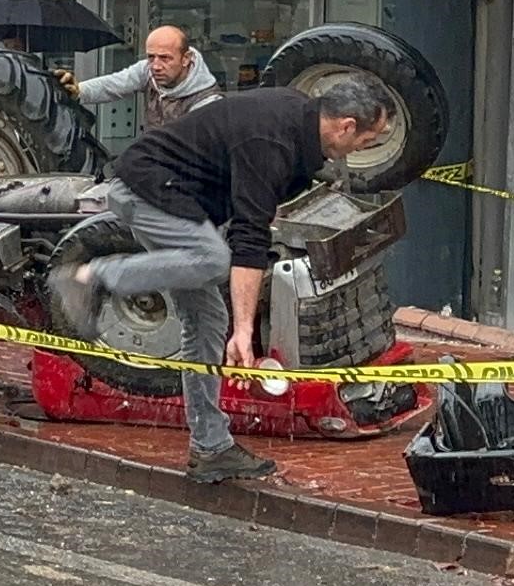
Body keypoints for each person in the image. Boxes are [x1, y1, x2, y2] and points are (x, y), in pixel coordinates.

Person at [64, 73, 400, 485]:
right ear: (347, 126)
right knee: (212, 257)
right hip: (146, 188)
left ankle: (211, 448)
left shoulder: (297, 124)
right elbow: (249, 240)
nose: (363, 149)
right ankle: (93, 278)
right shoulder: (272, 139)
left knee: (206, 324)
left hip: (180, 200)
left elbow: (255, 211)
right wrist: (245, 331)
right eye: (367, 141)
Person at [75, 24, 220, 131]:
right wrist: (77, 90)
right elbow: (113, 85)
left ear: (186, 59)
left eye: (165, 58)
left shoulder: (207, 102)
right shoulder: (148, 69)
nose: (156, 66)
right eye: (151, 56)